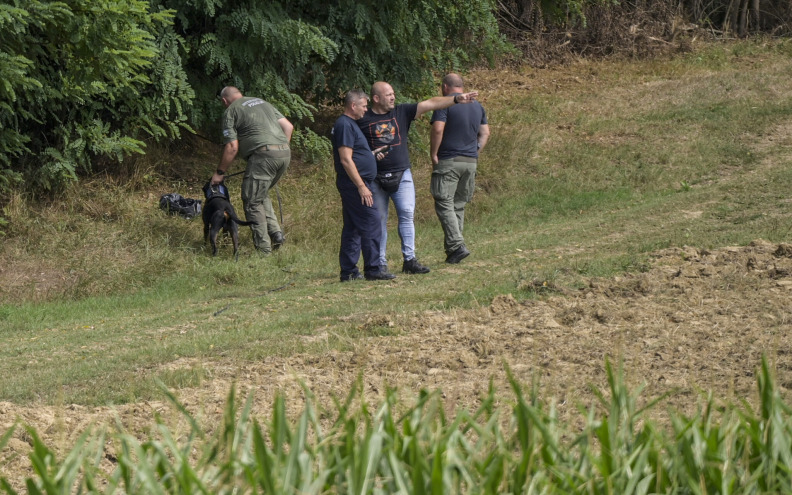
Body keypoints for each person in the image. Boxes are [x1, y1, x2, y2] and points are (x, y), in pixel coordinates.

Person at [356, 81, 479, 274]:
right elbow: (354, 149)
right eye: (388, 94)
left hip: (402, 174)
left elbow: (430, 104)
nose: (393, 97)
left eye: (393, 93)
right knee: (379, 220)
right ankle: (379, 262)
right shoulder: (362, 119)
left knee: (406, 214)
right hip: (375, 178)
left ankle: (410, 260)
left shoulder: (401, 112)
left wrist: (455, 99)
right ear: (376, 98)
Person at [211, 86, 292, 255]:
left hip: (263, 156)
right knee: (259, 195)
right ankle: (276, 234)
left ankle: (264, 251)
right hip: (284, 153)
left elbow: (232, 147)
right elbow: (288, 127)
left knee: (251, 201)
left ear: (224, 101)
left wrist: (220, 172)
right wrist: (278, 148)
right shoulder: (263, 102)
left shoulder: (231, 111)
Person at [331, 89, 396, 282]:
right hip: (354, 184)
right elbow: (345, 159)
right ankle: (373, 268)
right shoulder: (344, 124)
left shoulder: (351, 124)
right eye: (364, 105)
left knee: (353, 227)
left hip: (357, 181)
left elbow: (355, 155)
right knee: (372, 221)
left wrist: (371, 155)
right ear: (353, 105)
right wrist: (361, 186)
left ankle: (349, 271)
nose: (366, 109)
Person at [429, 73, 490, 264]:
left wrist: (434, 153)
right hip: (470, 161)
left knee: (444, 201)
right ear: (461, 87)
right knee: (458, 204)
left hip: (449, 159)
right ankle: (454, 251)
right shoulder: (477, 106)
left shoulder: (445, 103)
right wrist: (475, 150)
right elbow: (485, 133)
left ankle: (456, 245)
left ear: (445, 87)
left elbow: (438, 129)